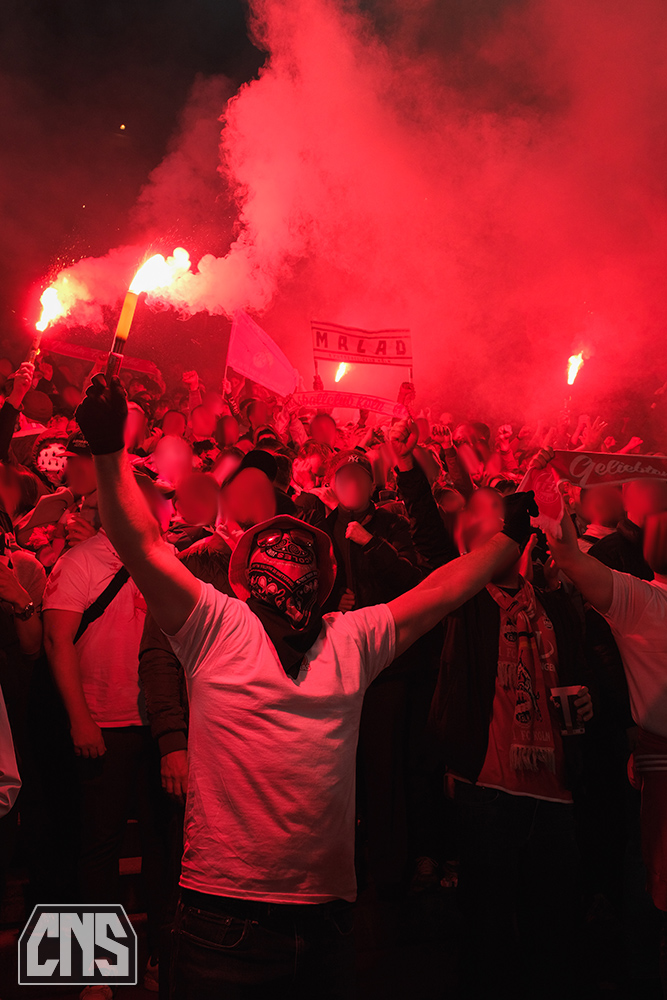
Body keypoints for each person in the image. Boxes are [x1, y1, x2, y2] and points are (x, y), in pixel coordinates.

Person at [74, 373, 534, 1000]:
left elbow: (142, 547)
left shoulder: (286, 630)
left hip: (291, 921)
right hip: (244, 914)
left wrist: (106, 450)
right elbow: (441, 592)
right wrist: (510, 536)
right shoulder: (274, 629)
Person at [548, 506, 667, 995]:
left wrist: (564, 541)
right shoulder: (648, 602)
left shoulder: (647, 602)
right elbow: (574, 561)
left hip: (655, 765)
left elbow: (574, 561)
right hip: (660, 767)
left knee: (649, 892)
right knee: (650, 892)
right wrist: (563, 539)